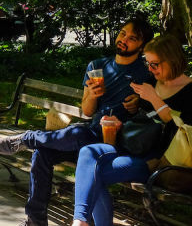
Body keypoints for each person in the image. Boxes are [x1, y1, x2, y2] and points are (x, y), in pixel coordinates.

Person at [0, 17, 155, 226]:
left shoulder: (146, 73)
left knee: (76, 134)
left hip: (117, 144)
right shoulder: (97, 66)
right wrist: (93, 95)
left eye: (132, 38)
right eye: (123, 33)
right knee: (43, 153)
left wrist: (138, 104)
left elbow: (152, 110)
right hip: (93, 133)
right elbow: (87, 111)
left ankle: (29, 138)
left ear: (141, 45)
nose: (124, 39)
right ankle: (35, 220)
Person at [71, 35, 192, 226]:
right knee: (88, 152)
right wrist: (119, 121)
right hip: (130, 146)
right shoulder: (151, 83)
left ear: (172, 60)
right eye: (148, 63)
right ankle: (79, 221)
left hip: (158, 162)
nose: (150, 70)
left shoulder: (188, 91)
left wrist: (154, 99)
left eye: (155, 64)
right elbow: (142, 120)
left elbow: (183, 129)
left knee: (94, 175)